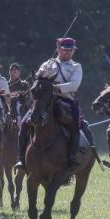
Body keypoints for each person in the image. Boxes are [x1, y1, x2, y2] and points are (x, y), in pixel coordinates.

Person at [23, 37, 84, 169]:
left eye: (71, 50)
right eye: (65, 50)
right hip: (44, 100)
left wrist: (56, 88)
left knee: (75, 124)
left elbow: (74, 85)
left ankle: (71, 157)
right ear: (58, 49)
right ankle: (21, 158)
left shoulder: (76, 67)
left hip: (65, 100)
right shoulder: (48, 64)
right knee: (24, 123)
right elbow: (37, 80)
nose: (68, 53)